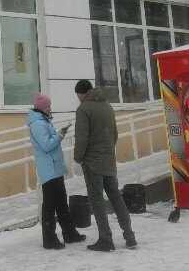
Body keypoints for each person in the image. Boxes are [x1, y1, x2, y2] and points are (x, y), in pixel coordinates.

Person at [73, 79, 136, 251]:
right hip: (108, 160)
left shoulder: (84, 109)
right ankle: (130, 236)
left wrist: (78, 157)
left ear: (82, 93)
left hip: (92, 162)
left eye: (78, 95)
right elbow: (114, 133)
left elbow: (82, 138)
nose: (78, 98)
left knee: (97, 201)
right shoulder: (107, 106)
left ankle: (106, 239)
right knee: (116, 197)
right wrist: (106, 151)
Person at [27, 93, 86, 250]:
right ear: (41, 107)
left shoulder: (42, 121)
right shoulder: (37, 124)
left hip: (54, 168)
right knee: (50, 206)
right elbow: (46, 145)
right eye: (48, 106)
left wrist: (59, 133)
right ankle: (50, 240)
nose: (50, 108)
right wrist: (60, 135)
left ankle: (70, 234)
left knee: (61, 204)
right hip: (49, 170)